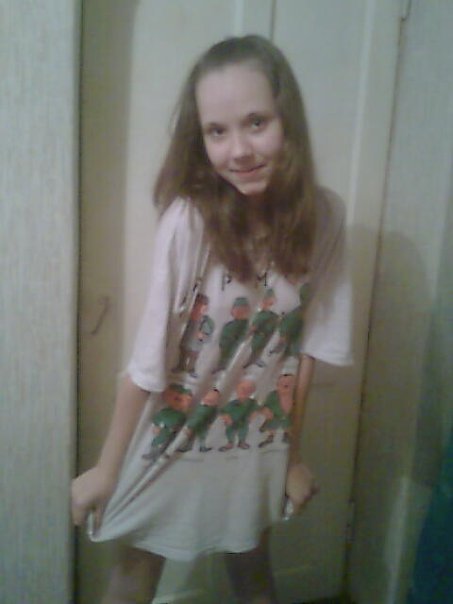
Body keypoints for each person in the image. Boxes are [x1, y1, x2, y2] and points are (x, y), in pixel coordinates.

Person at [71, 34, 352, 604]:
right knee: (133, 573)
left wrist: (291, 457)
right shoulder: (190, 220)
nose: (238, 150)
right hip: (175, 430)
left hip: (254, 437)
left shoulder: (322, 217)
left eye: (256, 123)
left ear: (288, 120)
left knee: (252, 568)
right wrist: (107, 467)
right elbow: (150, 359)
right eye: (216, 132)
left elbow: (305, 350)